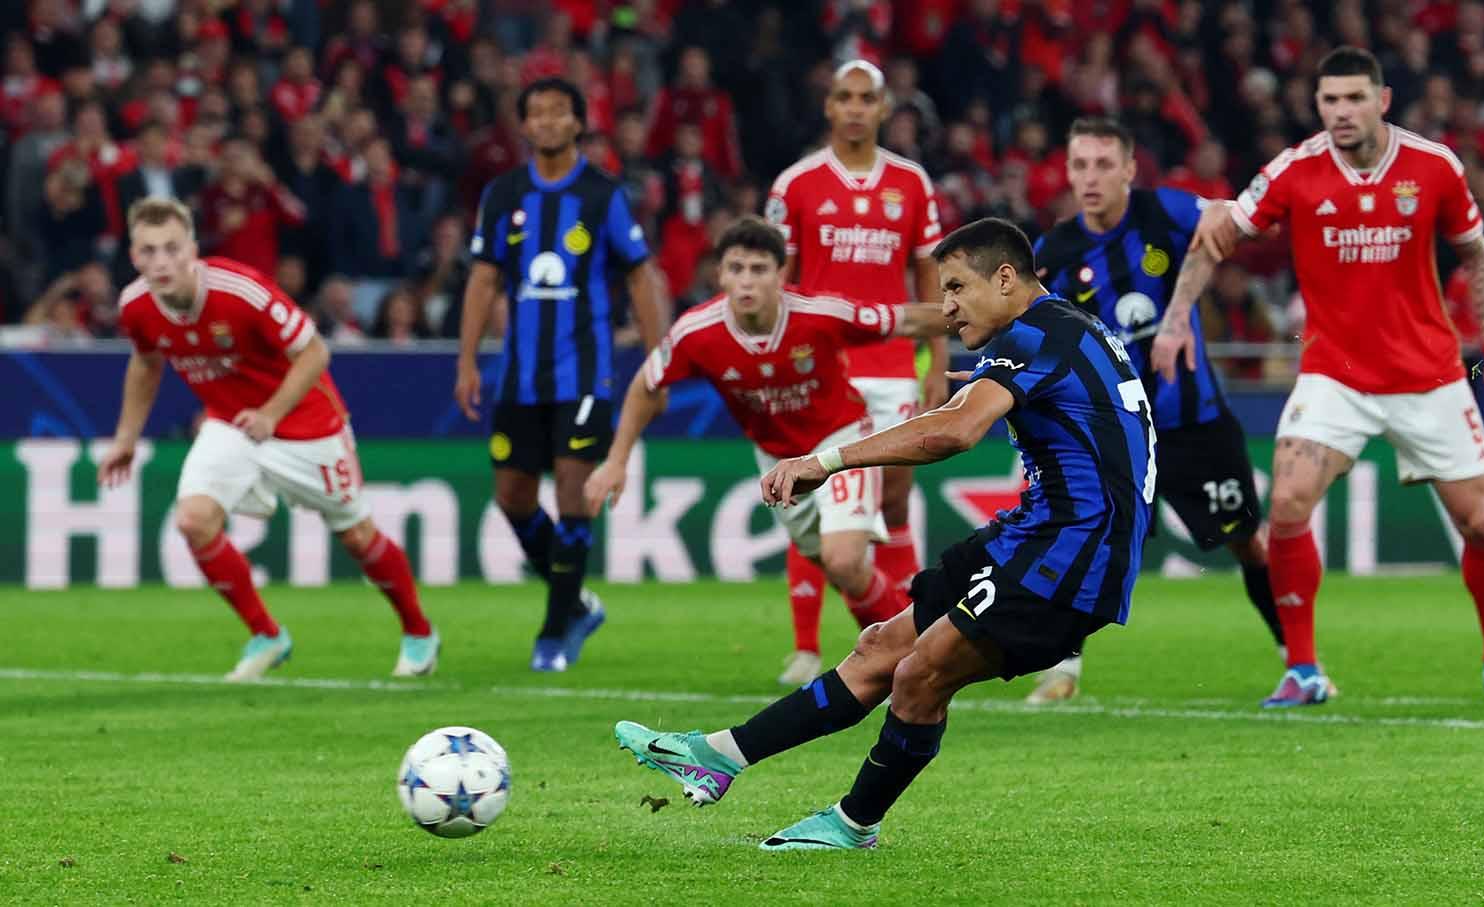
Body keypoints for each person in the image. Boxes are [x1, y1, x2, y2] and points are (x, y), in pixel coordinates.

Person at [612, 218, 1155, 849]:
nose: (945, 306)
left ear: (1005, 278)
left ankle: (852, 825)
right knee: (879, 649)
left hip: (1070, 553)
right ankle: (719, 755)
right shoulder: (1064, 331)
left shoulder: (1037, 334)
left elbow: (952, 432)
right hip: (1036, 535)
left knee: (920, 675)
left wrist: (827, 460)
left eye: (956, 286)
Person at [1162, 46, 1484, 707]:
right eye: (1329, 101)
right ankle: (1303, 668)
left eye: (1353, 98)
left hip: (1429, 375)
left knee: (1482, 524)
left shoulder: (1434, 167)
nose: (1340, 112)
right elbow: (1217, 235)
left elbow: (1477, 256)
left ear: (1382, 100)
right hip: (1334, 375)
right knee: (1285, 505)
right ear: (1317, 106)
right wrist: (1174, 320)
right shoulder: (1296, 170)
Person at [97, 198, 439, 681]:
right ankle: (267, 634)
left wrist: (271, 413)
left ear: (192, 249)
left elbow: (315, 352)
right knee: (194, 521)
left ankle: (420, 632)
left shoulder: (240, 291)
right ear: (134, 256)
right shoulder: (136, 305)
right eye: (148, 251)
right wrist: (126, 437)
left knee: (356, 535)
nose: (161, 262)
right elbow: (146, 362)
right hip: (232, 423)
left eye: (171, 248)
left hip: (305, 421)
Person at [585, 217, 948, 646]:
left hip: (841, 440)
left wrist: (978, 314)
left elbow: (903, 321)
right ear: (719, 275)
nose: (746, 282)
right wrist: (616, 460)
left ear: (780, 274)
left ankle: (914, 650)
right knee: (842, 573)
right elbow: (647, 386)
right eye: (735, 269)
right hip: (777, 461)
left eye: (759, 269)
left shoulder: (820, 313)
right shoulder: (696, 333)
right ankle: (898, 646)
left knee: (844, 559)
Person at [1026, 117, 1283, 703]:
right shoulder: (1056, 251)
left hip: (1191, 421)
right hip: (1109, 432)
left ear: (1128, 170)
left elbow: (1225, 217)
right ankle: (1063, 671)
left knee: (1248, 541)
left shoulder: (1162, 212)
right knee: (1081, 538)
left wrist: (1216, 213)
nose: (1089, 178)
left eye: (1102, 165)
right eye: (1079, 166)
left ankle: (1298, 661)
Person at [455, 77, 669, 672]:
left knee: (574, 493)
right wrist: (468, 359)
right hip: (519, 375)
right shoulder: (503, 193)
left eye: (559, 112)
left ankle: (554, 630)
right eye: (537, 113)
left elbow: (638, 276)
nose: (548, 122)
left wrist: (660, 357)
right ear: (524, 126)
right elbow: (482, 279)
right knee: (512, 497)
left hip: (584, 374)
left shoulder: (603, 194)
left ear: (578, 122)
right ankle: (575, 599)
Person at [764, 59, 947, 686]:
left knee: (894, 497)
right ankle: (807, 647)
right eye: (843, 97)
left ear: (883, 107)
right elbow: (777, 285)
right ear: (829, 106)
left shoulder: (912, 182)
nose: (854, 108)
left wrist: (937, 366)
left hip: (895, 366)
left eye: (866, 98)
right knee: (811, 491)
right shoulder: (795, 186)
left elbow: (930, 279)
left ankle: (910, 631)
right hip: (821, 375)